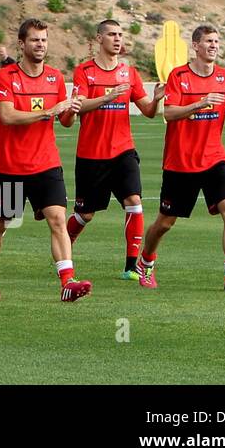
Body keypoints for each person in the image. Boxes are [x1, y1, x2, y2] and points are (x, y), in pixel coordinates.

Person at [138, 25, 225, 293]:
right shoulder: (178, 76)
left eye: (217, 41)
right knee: (165, 223)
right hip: (180, 162)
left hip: (215, 158)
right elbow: (168, 113)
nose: (214, 45)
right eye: (208, 41)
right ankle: (146, 262)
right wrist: (200, 103)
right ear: (196, 46)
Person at [0, 18, 90, 302]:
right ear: (21, 44)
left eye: (43, 40)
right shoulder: (6, 77)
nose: (40, 45)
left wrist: (73, 109)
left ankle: (68, 282)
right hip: (10, 166)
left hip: (46, 163)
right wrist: (48, 112)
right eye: (34, 40)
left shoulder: (55, 77)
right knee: (0, 224)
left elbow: (65, 121)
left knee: (57, 219)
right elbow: (7, 116)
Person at [65, 19, 164, 280]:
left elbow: (149, 112)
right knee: (85, 214)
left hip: (123, 151)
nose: (118, 39)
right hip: (91, 154)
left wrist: (157, 98)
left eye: (120, 35)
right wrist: (107, 97)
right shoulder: (84, 72)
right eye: (111, 34)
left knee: (134, 202)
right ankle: (65, 247)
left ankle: (132, 266)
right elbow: (78, 106)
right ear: (99, 39)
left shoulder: (129, 73)